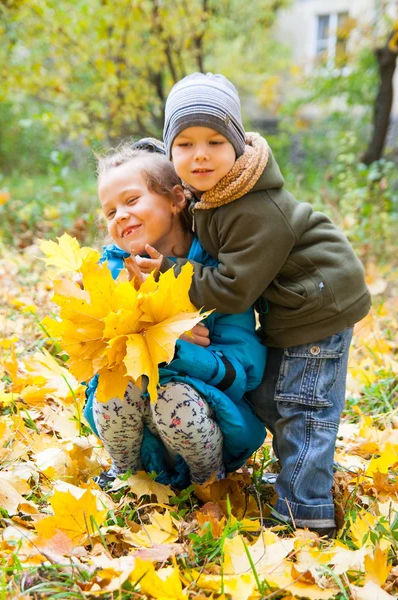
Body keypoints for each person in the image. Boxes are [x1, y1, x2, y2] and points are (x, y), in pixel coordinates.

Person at [133, 73, 371, 536]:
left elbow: (234, 288)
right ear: (169, 154)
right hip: (291, 307)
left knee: (305, 406)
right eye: (184, 144)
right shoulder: (216, 194)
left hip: (320, 304)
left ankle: (306, 509)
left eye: (215, 140)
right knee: (269, 394)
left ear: (238, 145)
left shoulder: (254, 208)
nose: (200, 154)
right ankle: (302, 474)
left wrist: (168, 271)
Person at [83, 146, 267, 489]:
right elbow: (92, 360)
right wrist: (146, 332)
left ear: (176, 199)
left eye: (132, 200)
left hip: (203, 415)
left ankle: (207, 483)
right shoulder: (110, 274)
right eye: (110, 211)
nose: (120, 216)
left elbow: (242, 370)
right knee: (115, 388)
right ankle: (128, 475)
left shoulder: (215, 274)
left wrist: (177, 351)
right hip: (135, 423)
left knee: (172, 396)